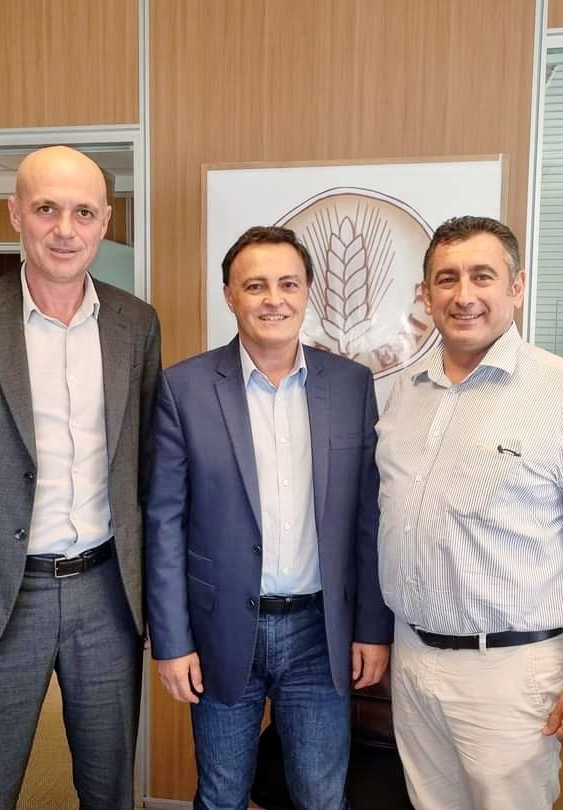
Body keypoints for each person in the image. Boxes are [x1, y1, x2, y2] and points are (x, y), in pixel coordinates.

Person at [0, 145, 161, 809]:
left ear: (105, 222)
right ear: (16, 213)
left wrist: (162, 605)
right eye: (46, 209)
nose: (64, 230)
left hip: (107, 594)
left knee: (110, 790)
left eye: (83, 213)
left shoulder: (136, 323)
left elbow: (151, 476)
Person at [375, 215, 563, 810]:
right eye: (446, 279)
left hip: (510, 671)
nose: (464, 295)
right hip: (414, 659)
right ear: (426, 294)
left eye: (482, 276)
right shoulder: (406, 392)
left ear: (516, 287)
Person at [146, 225, 393, 810]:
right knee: (221, 795)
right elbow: (163, 524)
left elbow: (369, 517)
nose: (273, 299)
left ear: (307, 293)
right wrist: (171, 642)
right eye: (255, 285)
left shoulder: (352, 385)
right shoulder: (184, 387)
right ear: (230, 296)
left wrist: (371, 629)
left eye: (288, 284)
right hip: (221, 630)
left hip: (319, 632)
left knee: (319, 796)